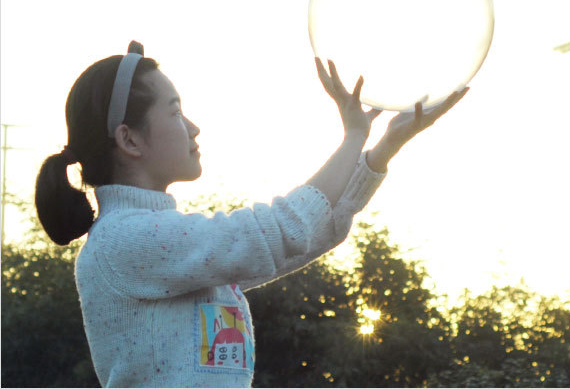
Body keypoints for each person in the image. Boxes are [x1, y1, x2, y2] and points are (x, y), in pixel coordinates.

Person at [34, 40, 469, 388]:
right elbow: (284, 230)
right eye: (175, 111)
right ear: (129, 140)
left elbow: (309, 234)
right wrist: (354, 135)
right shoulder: (124, 241)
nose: (193, 127)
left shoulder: (166, 245)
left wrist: (383, 148)